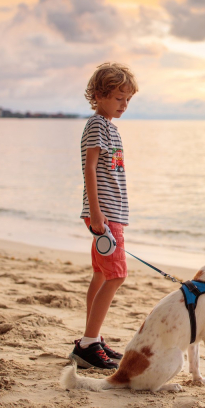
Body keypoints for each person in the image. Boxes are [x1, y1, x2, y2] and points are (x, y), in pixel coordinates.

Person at [69, 62, 138, 369]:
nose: (124, 105)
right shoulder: (97, 125)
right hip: (104, 215)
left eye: (127, 99)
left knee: (101, 274)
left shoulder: (110, 127)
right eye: (119, 98)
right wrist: (97, 216)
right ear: (99, 95)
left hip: (111, 215)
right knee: (117, 275)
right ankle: (86, 344)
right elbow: (90, 168)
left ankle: (92, 339)